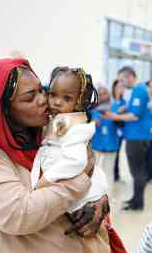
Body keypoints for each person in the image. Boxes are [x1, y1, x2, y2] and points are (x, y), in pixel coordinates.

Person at [0, 58, 111, 253]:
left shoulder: (46, 127)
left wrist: (99, 198)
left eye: (42, 90)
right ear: (3, 109)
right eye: (29, 97)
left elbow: (88, 165)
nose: (44, 100)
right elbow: (18, 215)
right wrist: (81, 180)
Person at [31, 67, 109, 217]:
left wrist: (46, 180)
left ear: (79, 101)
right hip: (65, 194)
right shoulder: (55, 121)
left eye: (67, 98)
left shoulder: (76, 128)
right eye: (52, 95)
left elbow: (76, 161)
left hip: (83, 199)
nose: (57, 102)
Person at [108, 67, 152, 211]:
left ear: (131, 77)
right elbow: (133, 108)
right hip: (136, 135)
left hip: (137, 137)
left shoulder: (139, 90)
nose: (121, 83)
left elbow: (135, 115)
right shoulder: (137, 91)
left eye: (122, 79)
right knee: (137, 170)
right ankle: (136, 199)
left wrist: (116, 117)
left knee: (137, 171)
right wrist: (123, 109)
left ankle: (138, 204)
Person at [111, 80, 126, 182]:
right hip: (110, 130)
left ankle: (116, 174)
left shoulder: (124, 102)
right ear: (114, 88)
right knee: (110, 153)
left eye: (122, 87)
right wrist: (118, 111)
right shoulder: (110, 101)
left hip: (119, 131)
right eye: (119, 87)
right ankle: (111, 173)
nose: (121, 89)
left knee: (117, 152)